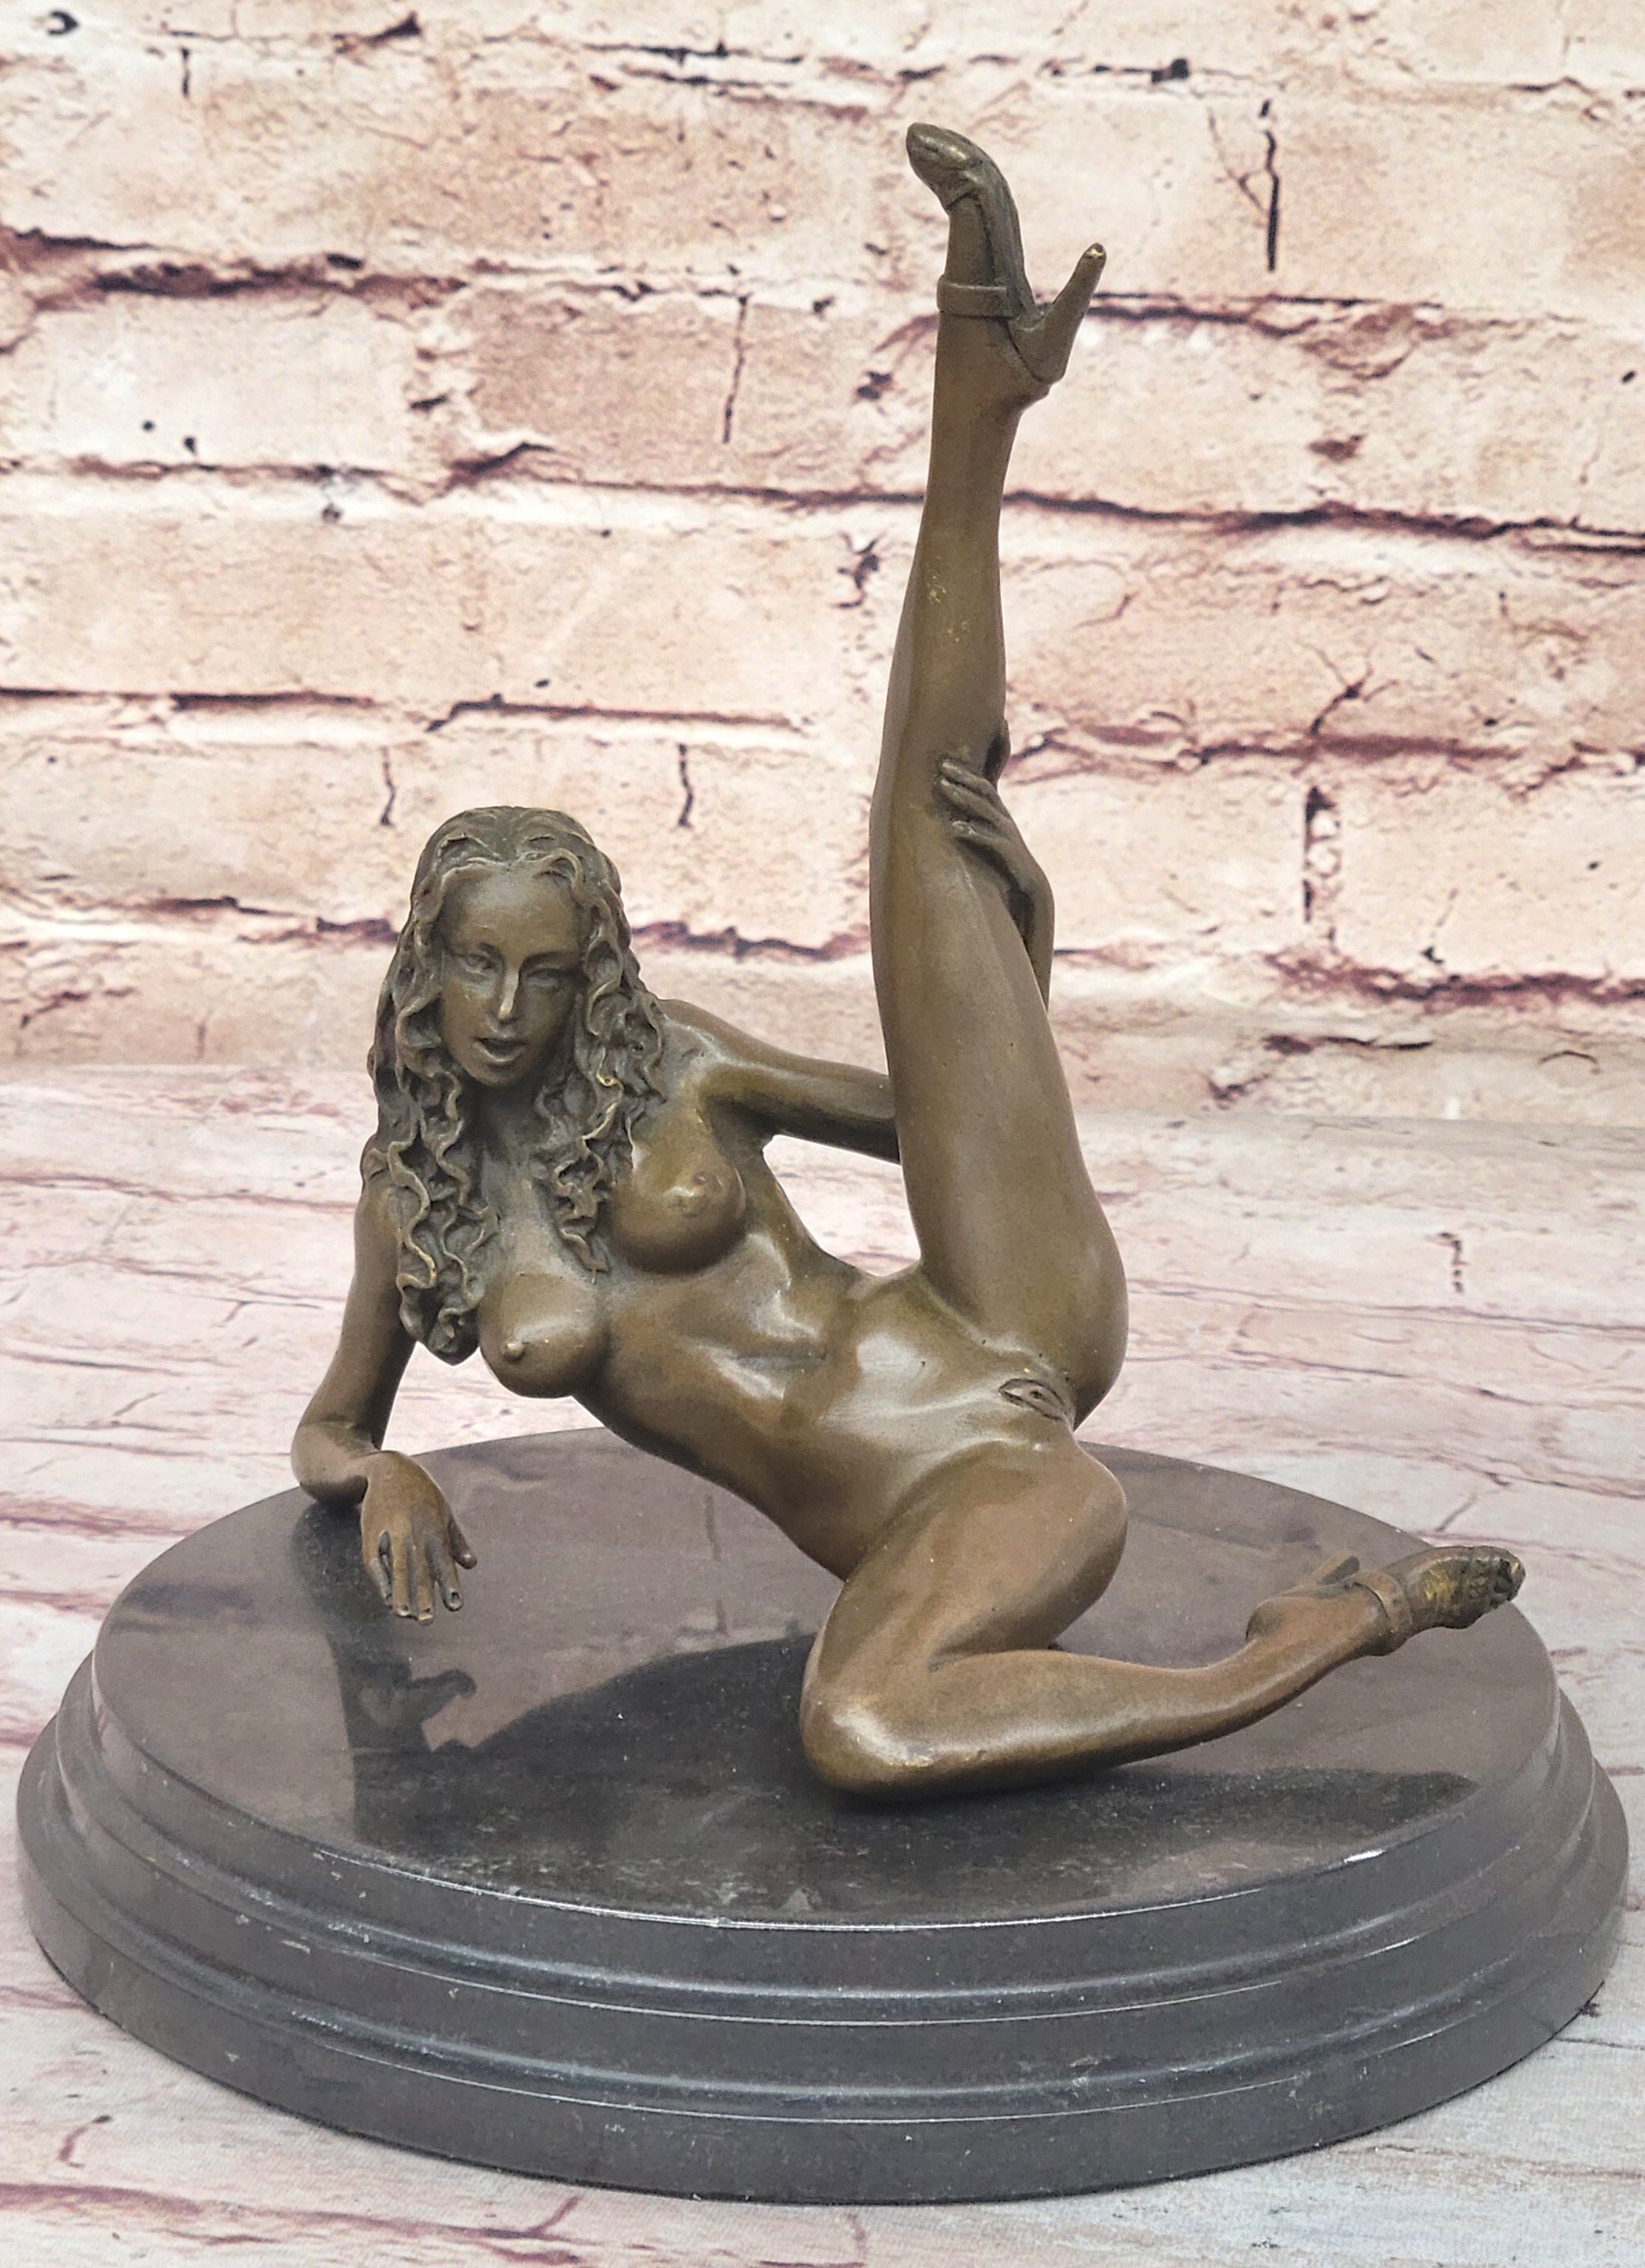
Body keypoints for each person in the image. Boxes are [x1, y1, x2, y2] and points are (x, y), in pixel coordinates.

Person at [293, 126, 1522, 1797]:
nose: (511, 1011)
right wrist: (382, 1474)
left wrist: (1014, 962)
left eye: (551, 975)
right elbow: (332, 1424)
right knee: (861, 1726)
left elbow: (927, 1122)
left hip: (1000, 1319)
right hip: (960, 1495)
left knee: (932, 840)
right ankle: (1325, 1629)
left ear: (593, 976)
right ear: (422, 969)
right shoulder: (415, 1203)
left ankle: (978, 386)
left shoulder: (674, 1061)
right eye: (479, 970)